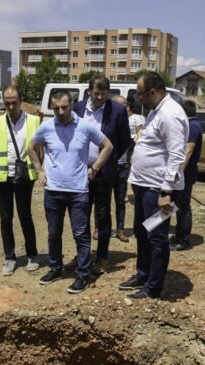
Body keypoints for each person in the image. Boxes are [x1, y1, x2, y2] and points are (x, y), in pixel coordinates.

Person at [28, 90, 114, 294]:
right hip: (53, 190)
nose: (60, 111)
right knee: (53, 233)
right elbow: (31, 147)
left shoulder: (85, 127)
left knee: (81, 235)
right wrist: (39, 170)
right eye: (56, 107)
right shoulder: (46, 127)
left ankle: (83, 275)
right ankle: (56, 268)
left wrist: (94, 169)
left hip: (78, 191)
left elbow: (107, 146)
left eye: (64, 107)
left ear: (72, 104)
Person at [119, 72, 189, 300]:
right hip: (144, 186)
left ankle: (153, 287)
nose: (139, 99)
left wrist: (166, 192)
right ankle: (143, 274)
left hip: (159, 190)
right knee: (141, 231)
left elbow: (177, 155)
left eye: (140, 95)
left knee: (156, 237)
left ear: (152, 92)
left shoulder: (170, 114)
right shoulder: (155, 111)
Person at [67, 75, 130, 275]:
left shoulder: (117, 111)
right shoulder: (77, 108)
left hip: (104, 173)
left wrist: (109, 161)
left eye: (104, 94)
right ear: (89, 91)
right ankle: (82, 256)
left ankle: (102, 257)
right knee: (80, 214)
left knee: (102, 215)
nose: (101, 97)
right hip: (79, 172)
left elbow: (125, 140)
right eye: (97, 93)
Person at [0, 85, 41, 276]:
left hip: (25, 176)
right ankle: (10, 258)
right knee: (5, 218)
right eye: (7, 103)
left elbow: (41, 150)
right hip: (3, 177)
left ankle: (32, 255)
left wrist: (42, 171)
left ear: (21, 101)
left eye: (13, 103)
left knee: (25, 216)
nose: (10, 106)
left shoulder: (34, 121)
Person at [110, 95, 145, 243]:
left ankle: (120, 228)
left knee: (120, 200)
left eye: (125, 105)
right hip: (107, 166)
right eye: (120, 105)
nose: (124, 108)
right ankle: (100, 228)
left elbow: (137, 138)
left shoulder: (131, 122)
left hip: (123, 166)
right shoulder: (107, 122)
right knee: (103, 201)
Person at [172, 100, 203, 251]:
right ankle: (178, 235)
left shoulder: (192, 127)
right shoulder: (192, 125)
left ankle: (184, 241)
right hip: (185, 173)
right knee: (177, 206)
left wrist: (178, 174)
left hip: (186, 174)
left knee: (183, 207)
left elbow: (188, 152)